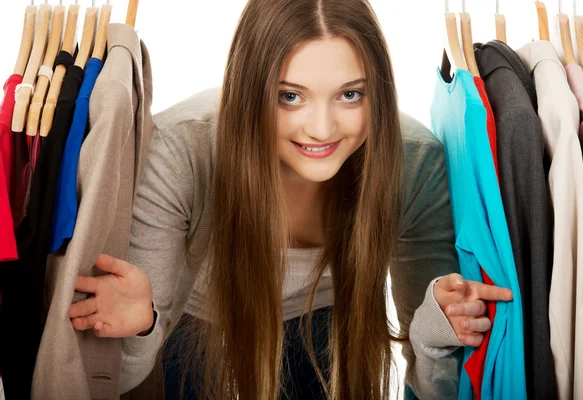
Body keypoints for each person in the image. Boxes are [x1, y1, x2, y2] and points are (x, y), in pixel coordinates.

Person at [66, 0, 513, 399]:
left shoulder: (414, 163)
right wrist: (142, 326)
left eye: (350, 94)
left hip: (324, 311)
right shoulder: (181, 150)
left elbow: (437, 387)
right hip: (198, 316)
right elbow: (118, 379)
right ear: (249, 91)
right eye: (290, 96)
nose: (322, 128)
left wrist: (436, 334)